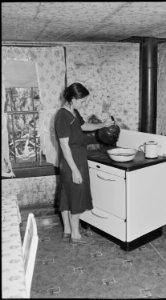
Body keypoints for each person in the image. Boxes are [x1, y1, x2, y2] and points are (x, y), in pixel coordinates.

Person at [54, 82, 114, 245]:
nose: (84, 103)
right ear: (73, 99)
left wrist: (103, 124)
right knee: (77, 196)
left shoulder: (73, 112)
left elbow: (84, 126)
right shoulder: (61, 116)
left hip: (77, 157)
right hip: (71, 161)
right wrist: (74, 170)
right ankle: (76, 235)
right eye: (82, 101)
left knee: (67, 196)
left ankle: (67, 231)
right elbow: (64, 145)